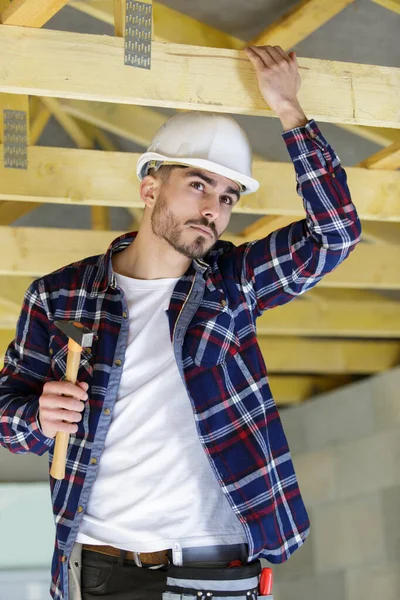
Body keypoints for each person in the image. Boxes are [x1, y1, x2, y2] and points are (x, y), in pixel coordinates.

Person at [0, 45, 361, 600]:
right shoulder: (58, 296)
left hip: (214, 566)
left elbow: (335, 234)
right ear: (150, 189)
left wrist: (290, 111)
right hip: (100, 565)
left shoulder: (232, 283)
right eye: (198, 184)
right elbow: (6, 416)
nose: (213, 208)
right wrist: (36, 417)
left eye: (227, 196)